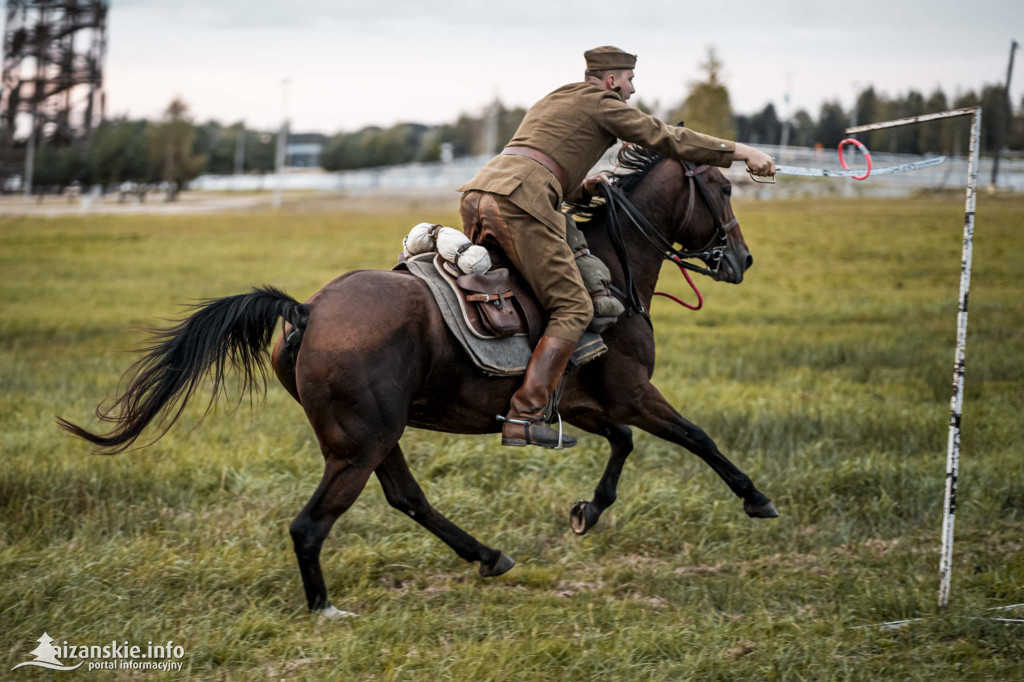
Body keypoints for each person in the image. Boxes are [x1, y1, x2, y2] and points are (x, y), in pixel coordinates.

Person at [458, 46, 775, 449]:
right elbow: (666, 137)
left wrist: (583, 186)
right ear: (611, 80)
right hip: (522, 201)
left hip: (479, 195)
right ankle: (526, 413)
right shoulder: (604, 103)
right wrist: (742, 152)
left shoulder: (558, 96)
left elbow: (539, 158)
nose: (632, 89)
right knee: (574, 306)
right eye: (629, 80)